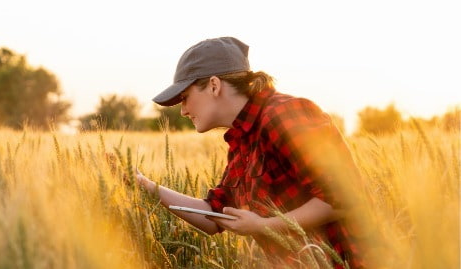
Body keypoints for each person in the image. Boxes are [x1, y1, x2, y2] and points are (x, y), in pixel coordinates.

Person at [136, 37, 364, 268]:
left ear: (214, 85)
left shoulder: (284, 113)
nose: (183, 111)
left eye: (185, 98)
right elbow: (216, 215)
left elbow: (342, 198)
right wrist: (144, 184)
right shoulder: (243, 139)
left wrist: (262, 226)